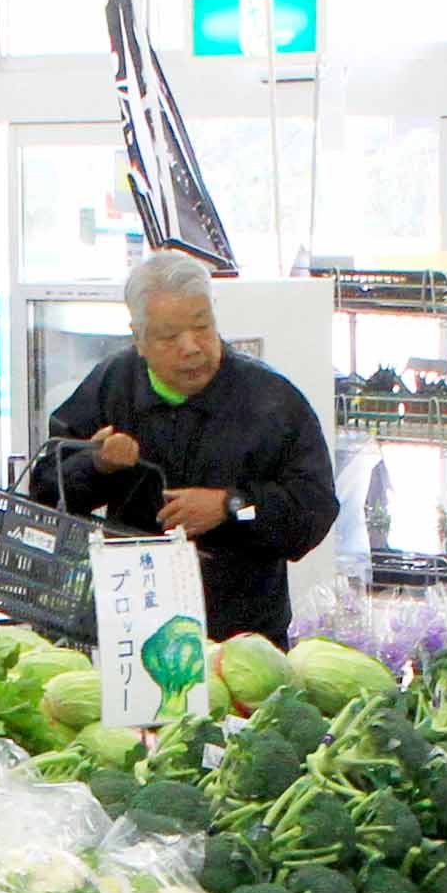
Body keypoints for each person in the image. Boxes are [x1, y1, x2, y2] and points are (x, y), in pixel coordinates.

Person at [25, 254, 337, 644]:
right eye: (170, 336)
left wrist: (232, 508)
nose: (191, 347)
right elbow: (43, 492)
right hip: (131, 629)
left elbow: (314, 511)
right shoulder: (113, 386)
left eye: (202, 327)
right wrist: (97, 464)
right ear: (138, 338)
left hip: (241, 643)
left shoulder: (272, 402)